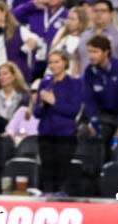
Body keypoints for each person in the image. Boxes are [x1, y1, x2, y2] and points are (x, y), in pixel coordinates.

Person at [33, 50, 83, 194]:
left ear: (65, 63)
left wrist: (54, 102)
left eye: (57, 61)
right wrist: (42, 104)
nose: (53, 65)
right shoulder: (45, 83)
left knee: (62, 173)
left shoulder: (74, 84)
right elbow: (36, 113)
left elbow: (73, 111)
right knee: (47, 171)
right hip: (45, 134)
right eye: (51, 62)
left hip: (65, 136)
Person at [82, 35, 118, 151]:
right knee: (88, 135)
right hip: (104, 116)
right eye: (90, 52)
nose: (91, 56)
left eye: (95, 52)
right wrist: (93, 120)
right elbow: (89, 99)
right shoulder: (89, 71)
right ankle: (95, 168)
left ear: (106, 52)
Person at [77, 0, 118, 73]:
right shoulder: (84, 36)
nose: (99, 14)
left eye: (103, 11)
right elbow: (78, 63)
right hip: (84, 82)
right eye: (96, 11)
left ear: (111, 14)